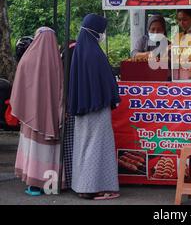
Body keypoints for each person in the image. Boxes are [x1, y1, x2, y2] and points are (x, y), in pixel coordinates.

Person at [68, 14, 121, 200]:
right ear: (95, 31)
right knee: (97, 146)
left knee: (83, 146)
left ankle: (82, 185)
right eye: (102, 31)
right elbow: (105, 81)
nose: (103, 34)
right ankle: (95, 187)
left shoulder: (80, 50)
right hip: (97, 107)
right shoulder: (95, 54)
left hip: (82, 107)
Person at [10, 27, 63, 196]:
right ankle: (50, 184)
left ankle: (33, 184)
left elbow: (18, 88)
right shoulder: (57, 62)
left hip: (31, 117)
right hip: (51, 118)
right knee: (50, 151)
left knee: (33, 149)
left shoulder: (26, 60)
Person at [60, 40, 77, 190]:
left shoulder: (63, 60)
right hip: (76, 109)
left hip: (68, 109)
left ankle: (69, 179)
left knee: (68, 146)